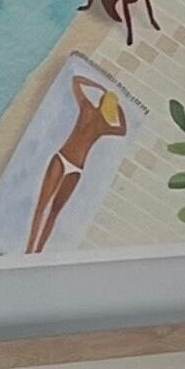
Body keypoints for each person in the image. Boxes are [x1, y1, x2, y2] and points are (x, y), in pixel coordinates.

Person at [25, 74, 130, 255]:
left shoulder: (88, 109)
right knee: (48, 210)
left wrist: (99, 87)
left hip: (69, 163)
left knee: (48, 209)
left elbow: (76, 81)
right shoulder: (99, 119)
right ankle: (31, 252)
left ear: (102, 101)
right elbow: (122, 129)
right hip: (69, 163)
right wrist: (118, 108)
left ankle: (35, 253)